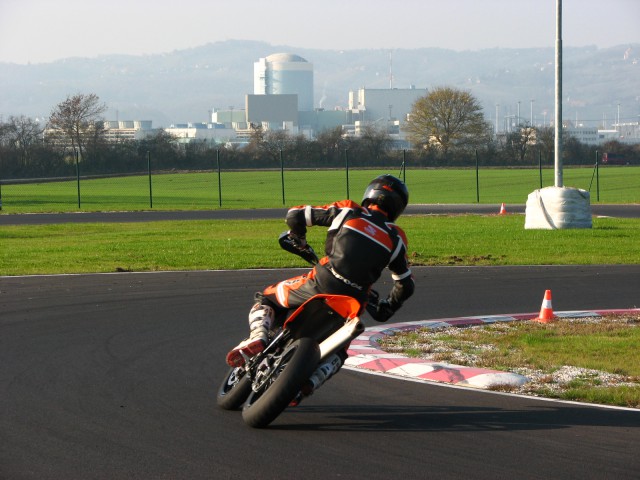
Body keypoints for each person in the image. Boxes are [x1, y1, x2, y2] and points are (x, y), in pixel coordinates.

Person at [226, 174, 415, 400]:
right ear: (398, 207)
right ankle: (312, 381)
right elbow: (405, 285)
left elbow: (295, 215)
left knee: (267, 297)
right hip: (354, 302)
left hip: (321, 282)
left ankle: (258, 336)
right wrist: (387, 308)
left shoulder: (348, 210)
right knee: (341, 350)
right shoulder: (397, 237)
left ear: (370, 194)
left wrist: (299, 239)